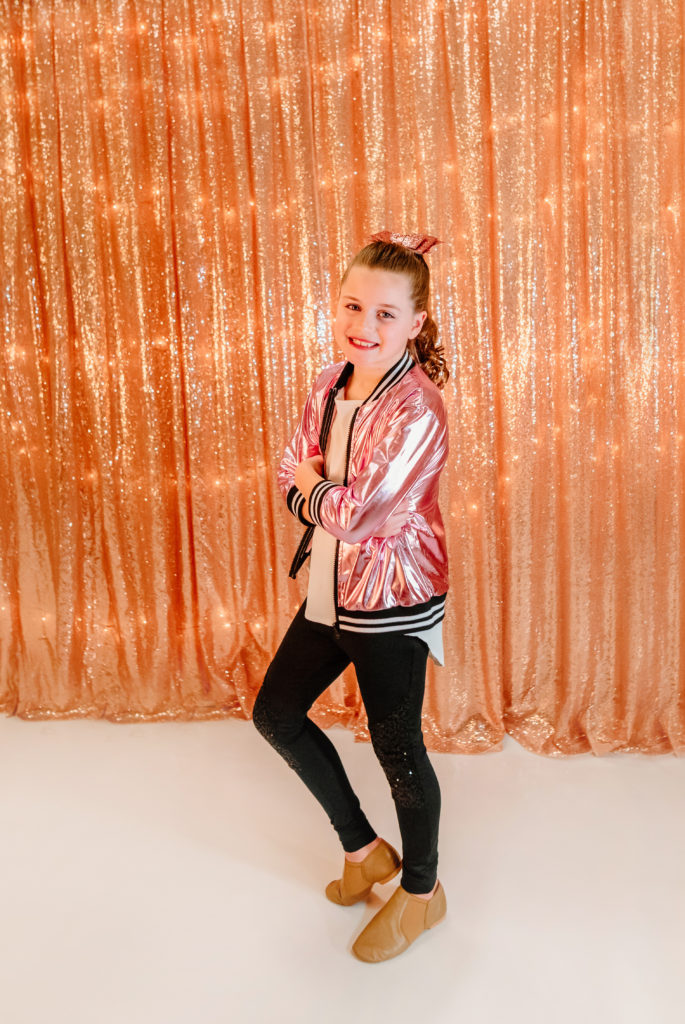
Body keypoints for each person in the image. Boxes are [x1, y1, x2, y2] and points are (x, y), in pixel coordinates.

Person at [252, 230, 450, 963]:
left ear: (415, 323)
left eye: (385, 314)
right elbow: (289, 471)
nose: (364, 325)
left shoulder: (418, 408)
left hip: (393, 597)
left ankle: (422, 893)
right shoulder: (328, 382)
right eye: (353, 306)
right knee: (275, 713)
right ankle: (364, 850)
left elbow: (363, 516)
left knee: (397, 747)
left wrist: (319, 491)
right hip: (330, 586)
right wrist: (320, 494)